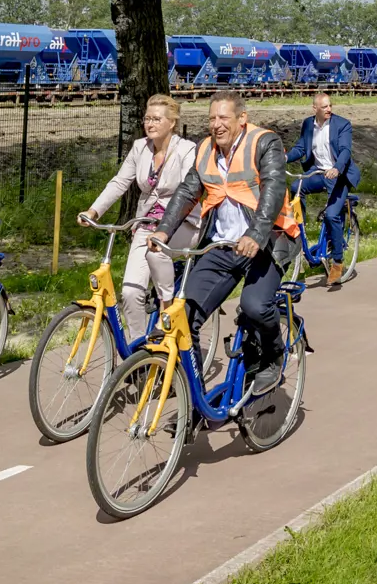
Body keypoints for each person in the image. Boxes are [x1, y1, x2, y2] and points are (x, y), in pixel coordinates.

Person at [154, 91, 299, 398]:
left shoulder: (264, 143)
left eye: (223, 118)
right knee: (184, 316)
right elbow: (186, 192)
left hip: (269, 241)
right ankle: (191, 402)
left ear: (241, 119)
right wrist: (163, 232)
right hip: (223, 244)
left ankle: (274, 354)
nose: (216, 125)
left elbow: (273, 190)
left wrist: (255, 235)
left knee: (254, 306)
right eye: (211, 118)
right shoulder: (206, 148)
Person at [81, 94, 201, 339]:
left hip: (181, 224)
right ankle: (140, 355)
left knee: (156, 252)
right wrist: (94, 210)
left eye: (157, 119)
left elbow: (191, 189)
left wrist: (167, 225)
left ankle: (167, 309)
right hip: (146, 224)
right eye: (147, 118)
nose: (150, 124)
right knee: (130, 292)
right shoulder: (139, 147)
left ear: (172, 123)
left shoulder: (187, 150)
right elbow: (120, 182)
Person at [285, 91, 361, 286]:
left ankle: (337, 261)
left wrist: (337, 168)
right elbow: (301, 148)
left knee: (331, 215)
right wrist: (283, 158)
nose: (329, 109)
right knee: (295, 188)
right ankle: (298, 233)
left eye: (330, 105)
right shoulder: (308, 124)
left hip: (338, 175)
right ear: (315, 109)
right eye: (325, 106)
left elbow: (345, 151)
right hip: (318, 173)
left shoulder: (342, 124)